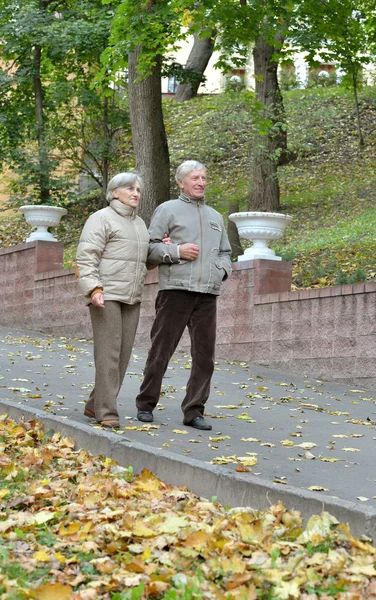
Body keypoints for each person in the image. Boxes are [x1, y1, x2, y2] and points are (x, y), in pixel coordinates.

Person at [136, 160, 232, 431]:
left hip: (207, 295)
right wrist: (177, 252)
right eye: (194, 178)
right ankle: (145, 404)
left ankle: (194, 411)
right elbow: (150, 249)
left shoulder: (215, 217)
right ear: (181, 182)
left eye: (203, 177)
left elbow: (226, 252)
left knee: (205, 357)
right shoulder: (167, 210)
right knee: (161, 351)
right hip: (175, 292)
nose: (201, 182)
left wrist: (221, 271)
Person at [75, 173, 150, 428]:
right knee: (108, 354)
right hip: (105, 295)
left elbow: (141, 258)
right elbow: (87, 256)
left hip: (132, 296)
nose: (136, 193)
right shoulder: (101, 218)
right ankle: (106, 412)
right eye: (130, 188)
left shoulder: (140, 223)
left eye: (139, 189)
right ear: (114, 192)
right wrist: (93, 288)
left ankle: (94, 403)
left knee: (123, 355)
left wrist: (166, 248)